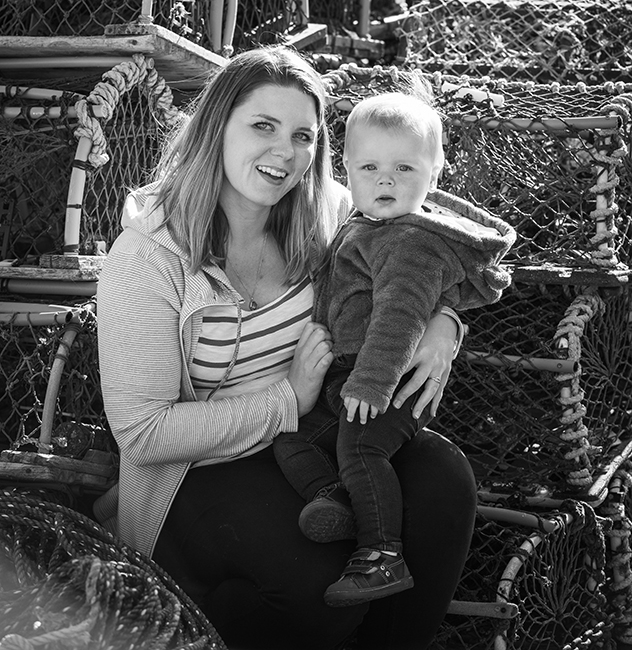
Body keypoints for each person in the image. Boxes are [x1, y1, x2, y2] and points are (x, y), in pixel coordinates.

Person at [93, 45, 478, 650]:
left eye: (303, 136)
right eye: (263, 126)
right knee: (316, 578)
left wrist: (445, 321)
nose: (285, 152)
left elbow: (433, 241)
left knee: (441, 477)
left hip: (308, 441)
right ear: (218, 126)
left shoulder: (330, 214)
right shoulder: (147, 257)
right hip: (194, 474)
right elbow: (142, 432)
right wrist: (287, 399)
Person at [273, 82, 516, 609]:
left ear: (435, 172)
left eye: (404, 168)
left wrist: (373, 381)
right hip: (351, 374)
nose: (385, 179)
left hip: (389, 378)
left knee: (363, 448)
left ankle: (381, 554)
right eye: (370, 167)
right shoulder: (366, 224)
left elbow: (399, 317)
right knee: (292, 439)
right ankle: (339, 498)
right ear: (346, 169)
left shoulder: (409, 241)